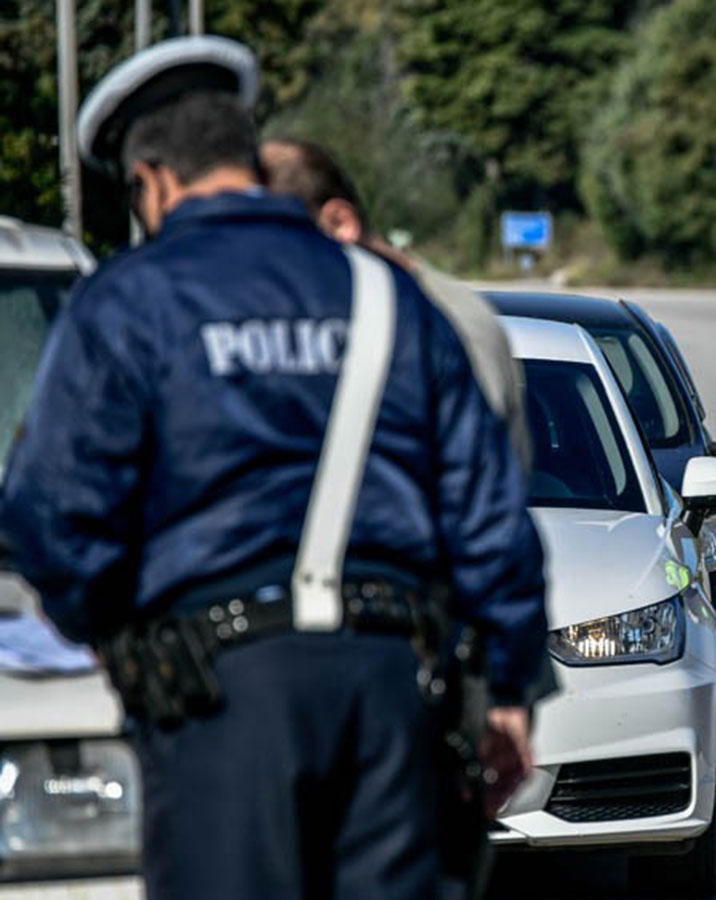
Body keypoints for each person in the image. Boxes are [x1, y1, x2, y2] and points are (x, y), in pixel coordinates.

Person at [0, 37, 547, 899]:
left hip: (215, 699)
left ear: (152, 181)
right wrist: (509, 686)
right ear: (244, 156)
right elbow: (489, 514)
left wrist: (115, 631)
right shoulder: (384, 294)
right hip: (391, 689)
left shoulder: (129, 299)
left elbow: (47, 515)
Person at [259, 137, 534, 474]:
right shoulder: (311, 319)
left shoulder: (449, 320)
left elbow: (481, 489)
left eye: (278, 247)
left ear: (339, 224)